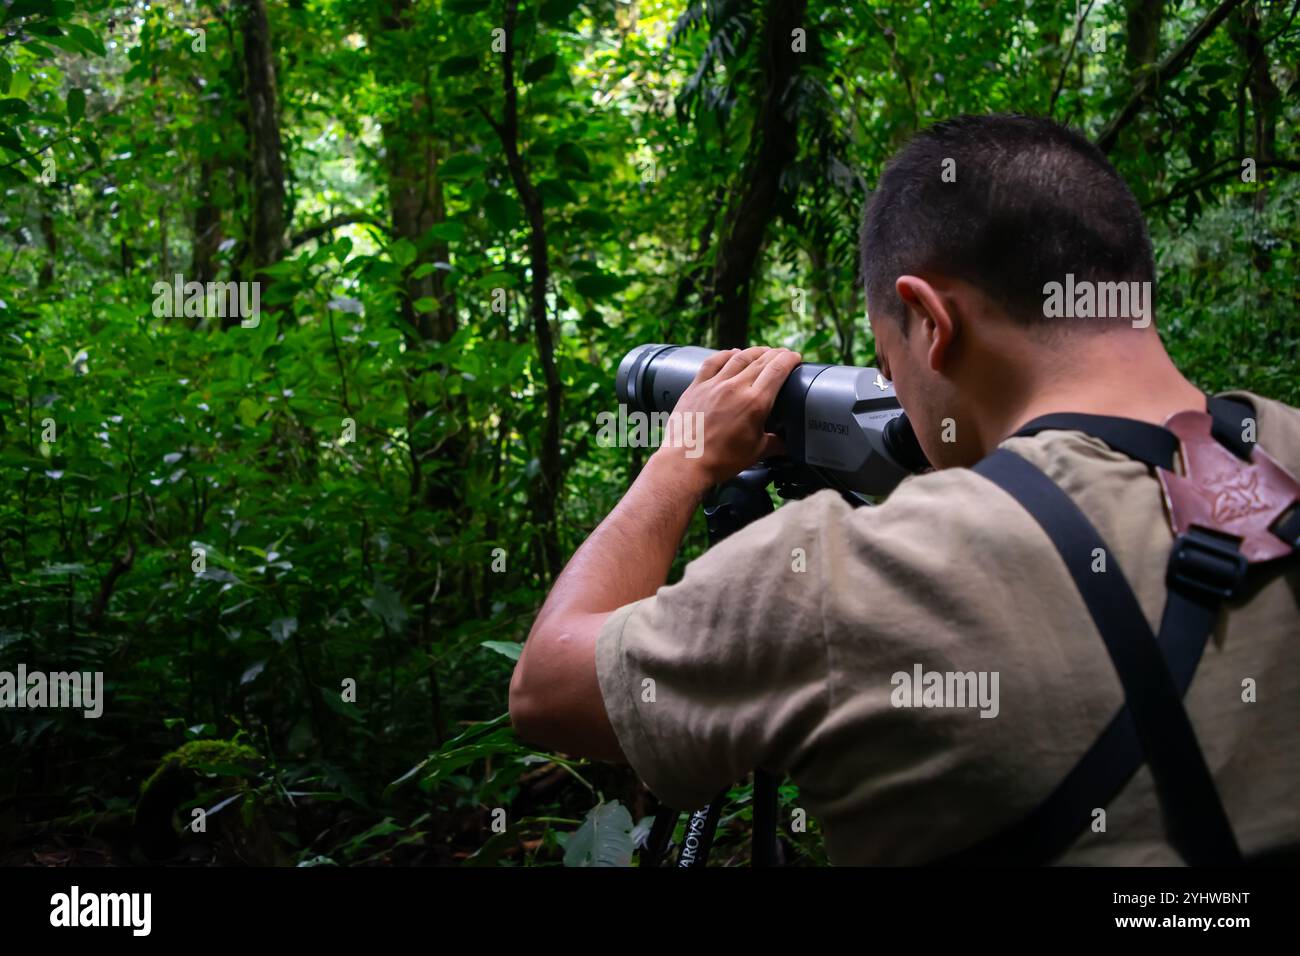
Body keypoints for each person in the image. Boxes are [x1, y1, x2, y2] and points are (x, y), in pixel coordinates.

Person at [508, 114, 1300, 865]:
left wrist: (681, 455)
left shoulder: (845, 581)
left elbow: (546, 686)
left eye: (890, 368)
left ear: (928, 319)